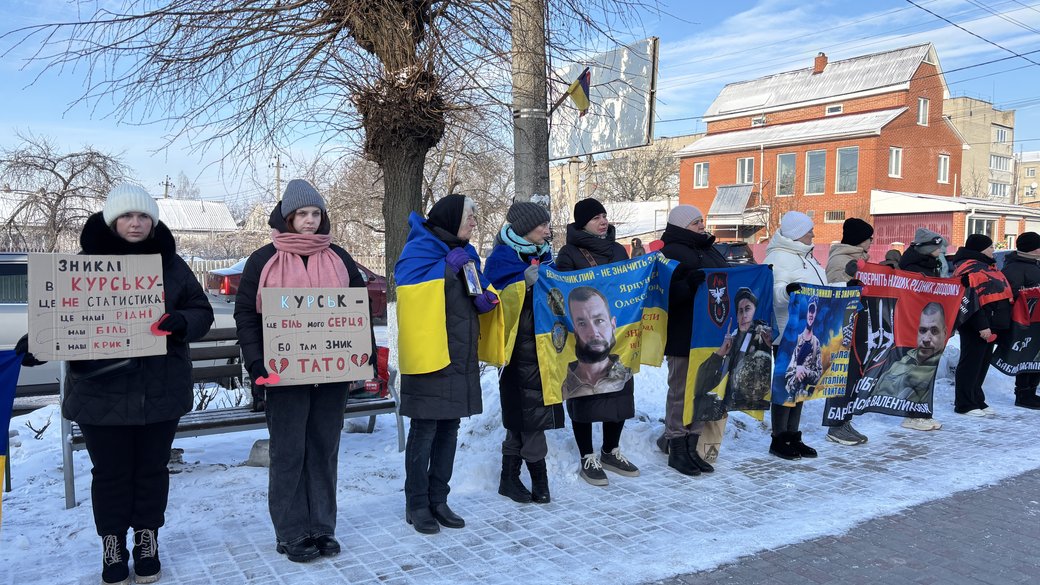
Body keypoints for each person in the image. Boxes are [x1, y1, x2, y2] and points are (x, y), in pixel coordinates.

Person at [16, 183, 214, 585]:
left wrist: (182, 323)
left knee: (152, 471)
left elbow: (202, 311)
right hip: (99, 392)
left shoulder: (172, 265)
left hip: (160, 389)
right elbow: (59, 316)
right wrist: (39, 342)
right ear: (113, 220)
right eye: (127, 216)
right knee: (109, 473)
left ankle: (146, 539)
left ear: (153, 221)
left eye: (143, 216)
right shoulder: (82, 265)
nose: (136, 223)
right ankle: (112, 543)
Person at [235, 179, 371, 562]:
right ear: (287, 217)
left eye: (315, 214)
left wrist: (361, 357)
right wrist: (256, 360)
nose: (309, 222)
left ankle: (322, 527)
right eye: (301, 215)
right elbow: (246, 313)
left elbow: (358, 311)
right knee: (289, 453)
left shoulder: (339, 258)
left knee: (324, 450)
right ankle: (292, 531)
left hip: (331, 375)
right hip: (282, 375)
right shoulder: (263, 260)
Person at [395, 194, 499, 533]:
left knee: (449, 429)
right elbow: (409, 294)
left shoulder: (467, 254)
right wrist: (444, 271)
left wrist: (485, 297)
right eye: (470, 215)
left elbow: (474, 291)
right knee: (424, 429)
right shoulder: (420, 249)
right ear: (452, 217)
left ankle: (439, 499)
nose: (474, 221)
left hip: (459, 355)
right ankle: (417, 503)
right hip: (429, 356)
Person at [485, 202, 564, 504]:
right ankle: (539, 482)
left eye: (547, 224)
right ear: (524, 229)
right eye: (542, 225)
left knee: (524, 418)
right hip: (516, 352)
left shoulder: (545, 257)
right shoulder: (501, 259)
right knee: (530, 418)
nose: (547, 230)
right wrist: (521, 283)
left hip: (544, 348)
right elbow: (491, 304)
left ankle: (508, 478)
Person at [555, 197, 638, 487]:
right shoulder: (569, 253)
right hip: (585, 334)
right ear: (582, 224)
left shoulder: (617, 249)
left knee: (619, 392)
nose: (603, 221)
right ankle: (587, 455)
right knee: (585, 395)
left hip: (617, 333)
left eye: (604, 215)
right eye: (595, 218)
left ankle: (610, 450)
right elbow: (562, 289)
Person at [657, 205, 727, 477]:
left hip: (710, 333)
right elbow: (664, 293)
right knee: (680, 392)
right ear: (681, 226)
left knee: (703, 390)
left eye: (702, 220)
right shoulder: (670, 252)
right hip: (683, 333)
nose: (702, 225)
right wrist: (688, 286)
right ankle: (676, 446)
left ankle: (692, 444)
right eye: (695, 222)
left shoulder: (709, 248)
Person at [763, 211, 826, 460]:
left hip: (808, 332)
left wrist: (846, 288)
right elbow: (774, 292)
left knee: (801, 386)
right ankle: (779, 438)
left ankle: (793, 435)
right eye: (809, 229)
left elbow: (821, 290)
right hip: (787, 333)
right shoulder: (779, 257)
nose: (813, 233)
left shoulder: (807, 257)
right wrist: (788, 291)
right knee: (785, 386)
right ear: (798, 232)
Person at [950, 234, 1012, 417]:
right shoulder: (969, 268)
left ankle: (977, 399)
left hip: (991, 323)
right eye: (990, 247)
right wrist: (981, 326)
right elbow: (969, 300)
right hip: (976, 323)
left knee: (982, 363)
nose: (993, 250)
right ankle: (964, 403)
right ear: (980, 249)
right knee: (970, 363)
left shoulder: (986, 266)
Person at [894, 228, 948, 431]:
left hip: (929, 321)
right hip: (915, 324)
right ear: (927, 248)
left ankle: (923, 412)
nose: (941, 249)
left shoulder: (930, 264)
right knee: (917, 369)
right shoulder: (912, 266)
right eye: (937, 246)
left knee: (927, 369)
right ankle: (911, 414)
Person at [693, 287, 773, 418]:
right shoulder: (731, 341)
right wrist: (719, 355)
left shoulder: (762, 337)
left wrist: (770, 344)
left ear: (755, 312)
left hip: (750, 401)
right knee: (699, 402)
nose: (744, 315)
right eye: (740, 311)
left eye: (748, 309)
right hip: (728, 398)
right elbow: (699, 386)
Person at [561, 287, 633, 399]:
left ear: (613, 325)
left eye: (599, 321)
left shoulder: (626, 375)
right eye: (582, 323)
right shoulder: (563, 384)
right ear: (575, 331)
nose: (593, 333)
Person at [873, 303, 947, 403]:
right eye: (922, 330)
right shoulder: (901, 360)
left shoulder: (943, 367)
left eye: (934, 331)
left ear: (945, 333)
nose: (926, 339)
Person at [1001, 231, 1040, 409]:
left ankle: (1032, 391)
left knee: (1036, 357)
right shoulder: (1015, 267)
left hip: (1036, 320)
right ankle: (1023, 394)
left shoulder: (1033, 264)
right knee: (1026, 356)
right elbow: (1012, 294)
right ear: (1033, 249)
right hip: (1025, 321)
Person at [784, 300, 823, 402]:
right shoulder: (795, 340)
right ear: (806, 313)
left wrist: (806, 372)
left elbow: (819, 375)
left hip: (803, 397)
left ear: (816, 314)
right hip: (789, 397)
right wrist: (797, 371)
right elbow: (785, 374)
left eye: (813, 311)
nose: (811, 314)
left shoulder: (816, 343)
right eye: (809, 311)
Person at [826, 217, 873, 283]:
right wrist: (847, 277)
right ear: (860, 239)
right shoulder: (839, 259)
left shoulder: (859, 257)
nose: (871, 242)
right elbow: (831, 286)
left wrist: (888, 270)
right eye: (870, 238)